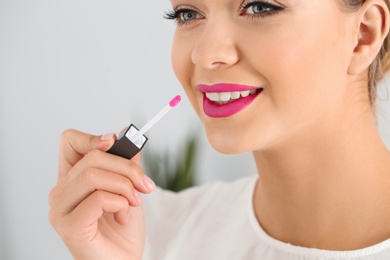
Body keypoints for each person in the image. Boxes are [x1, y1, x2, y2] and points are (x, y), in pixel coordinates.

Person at [48, 0, 390, 259]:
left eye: (259, 6)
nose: (205, 54)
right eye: (188, 13)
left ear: (363, 34)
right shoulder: (151, 237)